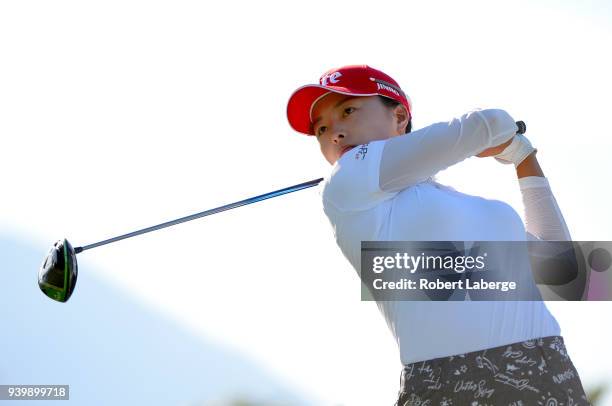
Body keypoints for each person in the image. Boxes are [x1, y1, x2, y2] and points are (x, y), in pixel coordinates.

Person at [286, 64, 591, 405]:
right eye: (322, 129)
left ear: (399, 117)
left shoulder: (473, 208)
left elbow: (562, 269)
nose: (335, 134)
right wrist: (504, 137)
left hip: (546, 370)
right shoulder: (346, 181)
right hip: (448, 382)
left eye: (348, 111)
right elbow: (490, 123)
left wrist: (523, 156)